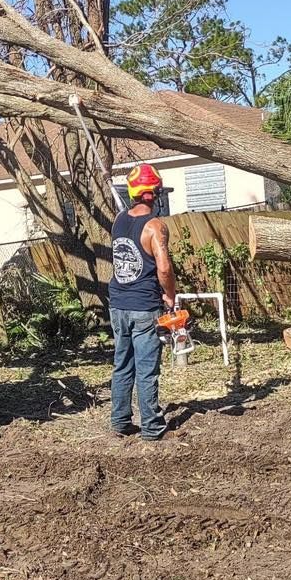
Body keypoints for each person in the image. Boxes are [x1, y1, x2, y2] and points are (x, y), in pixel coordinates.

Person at [108, 163, 177, 441]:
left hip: (117, 304)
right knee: (146, 370)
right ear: (155, 193)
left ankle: (120, 421)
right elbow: (163, 268)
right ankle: (151, 427)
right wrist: (170, 295)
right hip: (143, 307)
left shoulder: (118, 220)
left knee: (122, 364)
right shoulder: (155, 227)